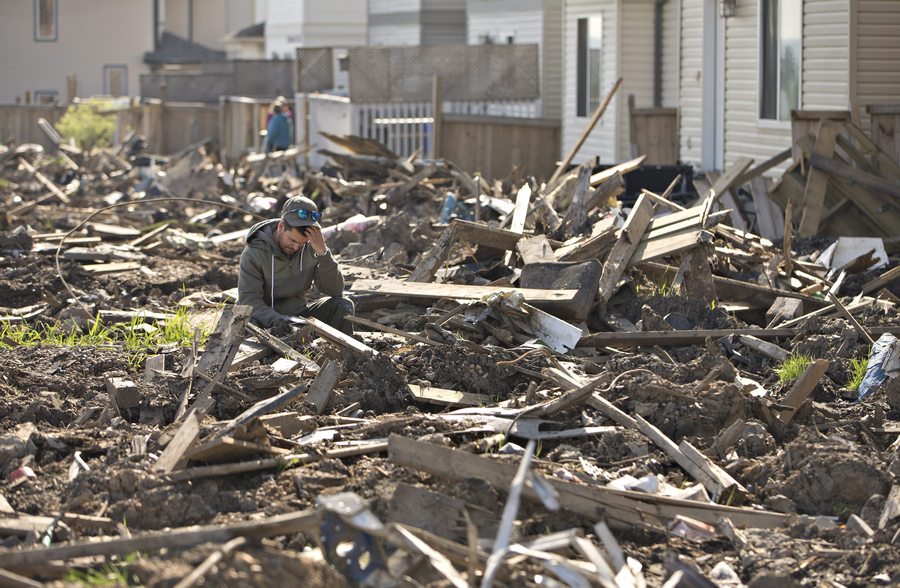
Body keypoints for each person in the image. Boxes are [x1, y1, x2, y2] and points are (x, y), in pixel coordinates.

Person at [238, 195, 355, 335]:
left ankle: (345, 355)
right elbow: (249, 301)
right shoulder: (254, 253)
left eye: (302, 243)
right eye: (292, 240)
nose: (296, 247)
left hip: (299, 316)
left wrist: (323, 254)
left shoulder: (312, 246)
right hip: (267, 321)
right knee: (248, 324)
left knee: (343, 306)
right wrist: (281, 323)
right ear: (281, 226)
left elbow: (335, 291)